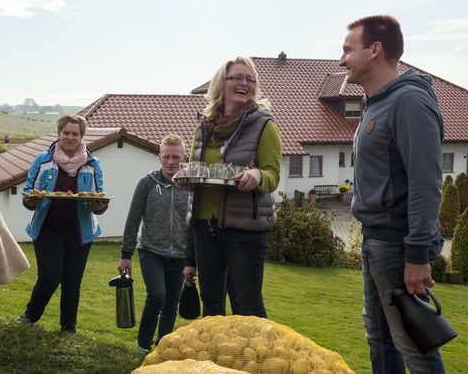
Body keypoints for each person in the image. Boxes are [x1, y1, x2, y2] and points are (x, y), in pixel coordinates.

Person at [340, 15, 445, 373]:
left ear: (375, 50)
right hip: (377, 240)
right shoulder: (377, 102)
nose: (341, 60)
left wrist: (417, 254)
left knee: (416, 347)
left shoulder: (409, 102)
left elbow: (426, 181)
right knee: (380, 340)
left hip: (398, 244)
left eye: (347, 49)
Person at [182, 56, 282, 317]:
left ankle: (256, 357)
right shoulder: (203, 127)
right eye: (237, 77)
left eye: (250, 79)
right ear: (221, 84)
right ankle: (216, 357)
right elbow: (197, 169)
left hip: (244, 229)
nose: (244, 83)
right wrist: (186, 180)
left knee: (247, 305)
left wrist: (258, 176)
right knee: (212, 304)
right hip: (205, 225)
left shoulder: (264, 125)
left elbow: (273, 174)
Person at [18, 114, 109, 333]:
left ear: (81, 137)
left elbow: (99, 199)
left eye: (74, 134)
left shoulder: (93, 164)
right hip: (47, 229)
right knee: (49, 278)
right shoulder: (42, 160)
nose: (70, 137)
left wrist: (99, 205)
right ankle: (30, 317)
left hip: (80, 232)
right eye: (65, 133)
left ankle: (68, 328)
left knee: (72, 282)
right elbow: (28, 193)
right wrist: (31, 199)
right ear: (58, 134)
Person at [118, 134, 190, 354]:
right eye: (166, 157)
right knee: (157, 295)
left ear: (184, 158)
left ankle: (163, 346)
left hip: (180, 255)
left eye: (175, 157)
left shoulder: (192, 186)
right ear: (159, 157)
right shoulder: (147, 183)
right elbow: (133, 218)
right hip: (151, 251)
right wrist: (126, 254)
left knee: (171, 302)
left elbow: (197, 223)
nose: (170, 162)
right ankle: (143, 344)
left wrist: (194, 258)